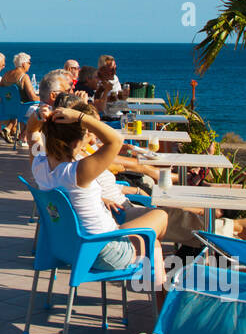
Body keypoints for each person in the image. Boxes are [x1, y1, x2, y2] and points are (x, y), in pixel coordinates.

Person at [31, 95, 168, 287]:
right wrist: (81, 117)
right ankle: (158, 298)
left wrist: (39, 117)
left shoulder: (39, 166)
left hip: (69, 247)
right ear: (75, 142)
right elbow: (115, 141)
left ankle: (150, 281)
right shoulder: (76, 173)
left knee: (149, 239)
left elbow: (31, 131)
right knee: (160, 218)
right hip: (102, 249)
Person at [0, 52, 37, 143]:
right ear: (23, 64)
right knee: (40, 110)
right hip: (21, 109)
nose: (30, 65)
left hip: (7, 108)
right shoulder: (24, 77)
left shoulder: (6, 75)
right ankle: (24, 135)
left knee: (20, 107)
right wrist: (43, 99)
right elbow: (33, 98)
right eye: (29, 63)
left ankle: (9, 130)